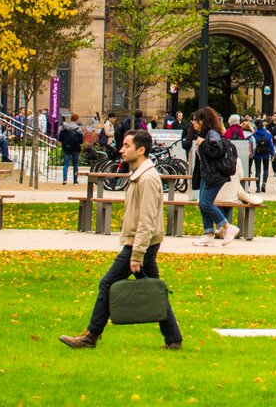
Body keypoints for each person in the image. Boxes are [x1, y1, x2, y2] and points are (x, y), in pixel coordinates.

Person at [59, 129, 183, 351]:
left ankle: (91, 336)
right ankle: (173, 339)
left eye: (127, 146)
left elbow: (146, 220)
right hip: (143, 244)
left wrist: (136, 254)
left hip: (140, 245)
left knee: (107, 284)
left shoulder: (147, 178)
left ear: (141, 150)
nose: (121, 150)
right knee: (153, 289)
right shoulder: (141, 174)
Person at [190, 107, 238, 246]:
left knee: (205, 203)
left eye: (195, 120)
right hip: (208, 174)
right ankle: (208, 234)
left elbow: (217, 151)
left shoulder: (212, 134)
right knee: (203, 203)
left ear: (203, 121)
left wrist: (203, 143)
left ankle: (227, 228)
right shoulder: (208, 134)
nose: (193, 123)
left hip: (215, 174)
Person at [250, 118, 275, 194]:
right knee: (265, 169)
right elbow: (271, 144)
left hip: (257, 154)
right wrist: (272, 153)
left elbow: (253, 144)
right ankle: (264, 183)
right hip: (266, 153)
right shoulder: (267, 133)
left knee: (258, 170)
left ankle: (258, 187)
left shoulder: (254, 134)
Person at [58, 113, 84, 184]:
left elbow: (60, 138)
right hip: (75, 148)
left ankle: (64, 179)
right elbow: (81, 141)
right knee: (75, 164)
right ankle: (75, 180)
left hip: (66, 148)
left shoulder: (65, 127)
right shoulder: (78, 129)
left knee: (66, 164)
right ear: (77, 119)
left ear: (71, 119)